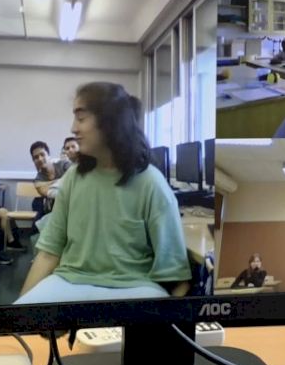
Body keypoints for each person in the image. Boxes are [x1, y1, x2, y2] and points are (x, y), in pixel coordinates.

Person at [16, 82, 189, 305]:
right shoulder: (74, 177)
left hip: (135, 287)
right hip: (69, 281)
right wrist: (17, 314)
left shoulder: (151, 183)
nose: (73, 128)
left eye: (81, 118)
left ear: (110, 122)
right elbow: (49, 253)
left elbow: (175, 275)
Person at [30, 140, 71, 216]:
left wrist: (50, 184)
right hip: (51, 209)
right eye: (36, 157)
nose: (40, 159)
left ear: (48, 155)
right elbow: (50, 194)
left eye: (42, 154)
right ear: (34, 161)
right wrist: (64, 181)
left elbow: (75, 179)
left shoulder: (64, 165)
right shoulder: (38, 180)